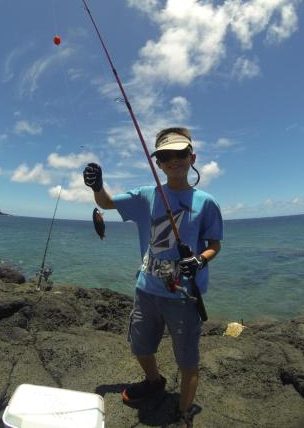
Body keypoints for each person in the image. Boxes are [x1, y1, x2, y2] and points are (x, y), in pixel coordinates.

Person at [83, 127, 223, 427]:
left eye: (180, 154)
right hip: (146, 290)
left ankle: (184, 412)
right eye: (165, 156)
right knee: (140, 346)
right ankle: (154, 380)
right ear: (158, 163)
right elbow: (106, 203)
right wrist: (97, 185)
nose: (173, 160)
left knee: (187, 361)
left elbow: (214, 245)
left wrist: (199, 260)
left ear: (192, 157)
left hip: (185, 296)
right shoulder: (147, 196)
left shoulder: (206, 202)